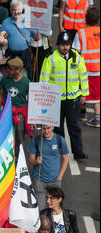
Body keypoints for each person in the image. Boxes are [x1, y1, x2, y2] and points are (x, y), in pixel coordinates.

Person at [40, 30, 90, 160]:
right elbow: (44, 78)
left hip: (73, 99)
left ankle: (78, 152)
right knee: (58, 127)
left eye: (67, 44)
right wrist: (43, 97)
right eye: (62, 44)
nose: (65, 47)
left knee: (74, 126)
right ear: (57, 45)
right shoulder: (51, 58)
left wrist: (84, 94)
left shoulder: (77, 57)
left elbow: (83, 76)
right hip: (55, 99)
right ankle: (59, 151)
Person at [27, 126, 69, 211]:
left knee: (55, 209)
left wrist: (59, 177)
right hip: (39, 180)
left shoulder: (60, 140)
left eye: (48, 128)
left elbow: (65, 159)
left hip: (55, 181)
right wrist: (36, 161)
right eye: (44, 128)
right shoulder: (36, 141)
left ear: (53, 127)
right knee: (40, 210)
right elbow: (31, 160)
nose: (46, 131)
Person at [0, 57, 33, 156]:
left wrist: (32, 118)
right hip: (7, 112)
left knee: (20, 136)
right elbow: (0, 94)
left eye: (11, 69)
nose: (9, 71)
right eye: (8, 68)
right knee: (7, 136)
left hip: (20, 114)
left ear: (19, 69)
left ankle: (18, 157)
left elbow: (30, 100)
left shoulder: (26, 82)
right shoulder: (5, 79)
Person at [72, 7, 100, 127]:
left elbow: (76, 51)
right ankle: (97, 118)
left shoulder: (81, 33)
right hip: (98, 69)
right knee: (97, 96)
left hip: (85, 69)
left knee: (82, 92)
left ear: (85, 19)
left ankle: (83, 114)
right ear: (98, 20)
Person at [0, 0, 40, 80]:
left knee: (26, 76)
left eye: (18, 9)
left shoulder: (29, 20)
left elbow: (36, 38)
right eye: (13, 10)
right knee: (10, 77)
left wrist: (39, 32)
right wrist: (1, 37)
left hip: (25, 53)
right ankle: (9, 93)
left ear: (22, 9)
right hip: (11, 54)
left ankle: (25, 92)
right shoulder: (5, 22)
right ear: (10, 10)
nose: (16, 12)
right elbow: (2, 41)